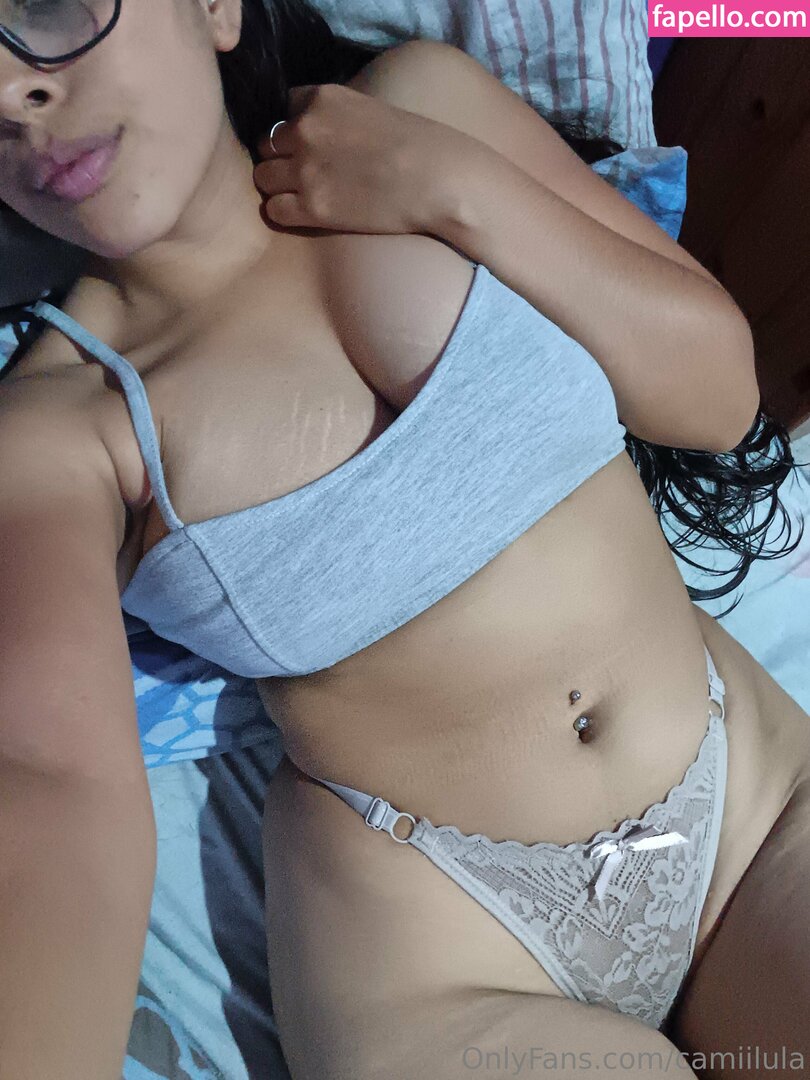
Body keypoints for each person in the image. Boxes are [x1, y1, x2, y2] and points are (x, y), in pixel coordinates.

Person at [0, 0, 807, 1077]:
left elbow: (714, 399)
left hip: (750, 816)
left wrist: (452, 187)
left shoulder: (420, 109)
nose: (12, 91)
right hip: (439, 964)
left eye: (44, 7)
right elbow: (48, 780)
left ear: (215, 7)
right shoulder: (54, 428)